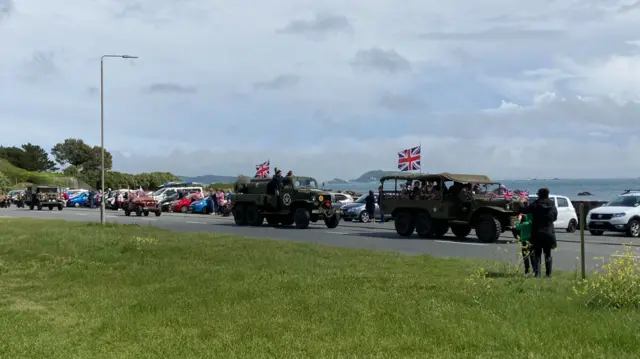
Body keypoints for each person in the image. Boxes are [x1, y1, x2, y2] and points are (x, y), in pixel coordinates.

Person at [520, 188, 558, 278]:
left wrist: (521, 202)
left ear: (539, 195)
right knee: (548, 254)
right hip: (549, 232)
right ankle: (548, 275)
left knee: (537, 254)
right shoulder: (552, 204)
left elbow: (524, 210)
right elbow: (555, 217)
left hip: (537, 232)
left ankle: (537, 273)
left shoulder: (536, 204)